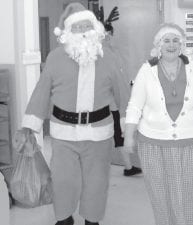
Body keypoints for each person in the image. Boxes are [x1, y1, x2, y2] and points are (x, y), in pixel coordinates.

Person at [13, 3, 128, 225]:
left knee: (97, 182)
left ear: (94, 28)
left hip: (99, 134)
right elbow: (41, 92)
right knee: (63, 181)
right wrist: (29, 126)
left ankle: (92, 220)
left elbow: (123, 90)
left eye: (87, 25)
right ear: (67, 32)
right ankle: (64, 219)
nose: (83, 31)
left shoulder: (109, 57)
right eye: (77, 27)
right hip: (63, 134)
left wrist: (128, 123)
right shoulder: (56, 57)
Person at [123, 23, 193, 225]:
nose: (171, 44)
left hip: (190, 141)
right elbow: (135, 106)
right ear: (158, 45)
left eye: (176, 40)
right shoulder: (146, 71)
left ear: (182, 45)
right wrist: (129, 136)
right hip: (153, 142)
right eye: (166, 40)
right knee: (161, 194)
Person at [97, 6, 142, 176]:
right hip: (107, 105)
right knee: (107, 137)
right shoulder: (97, 55)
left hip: (119, 103)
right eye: (104, 35)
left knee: (119, 136)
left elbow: (121, 80)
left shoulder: (114, 53)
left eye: (109, 34)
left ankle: (129, 167)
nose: (108, 38)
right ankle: (124, 167)